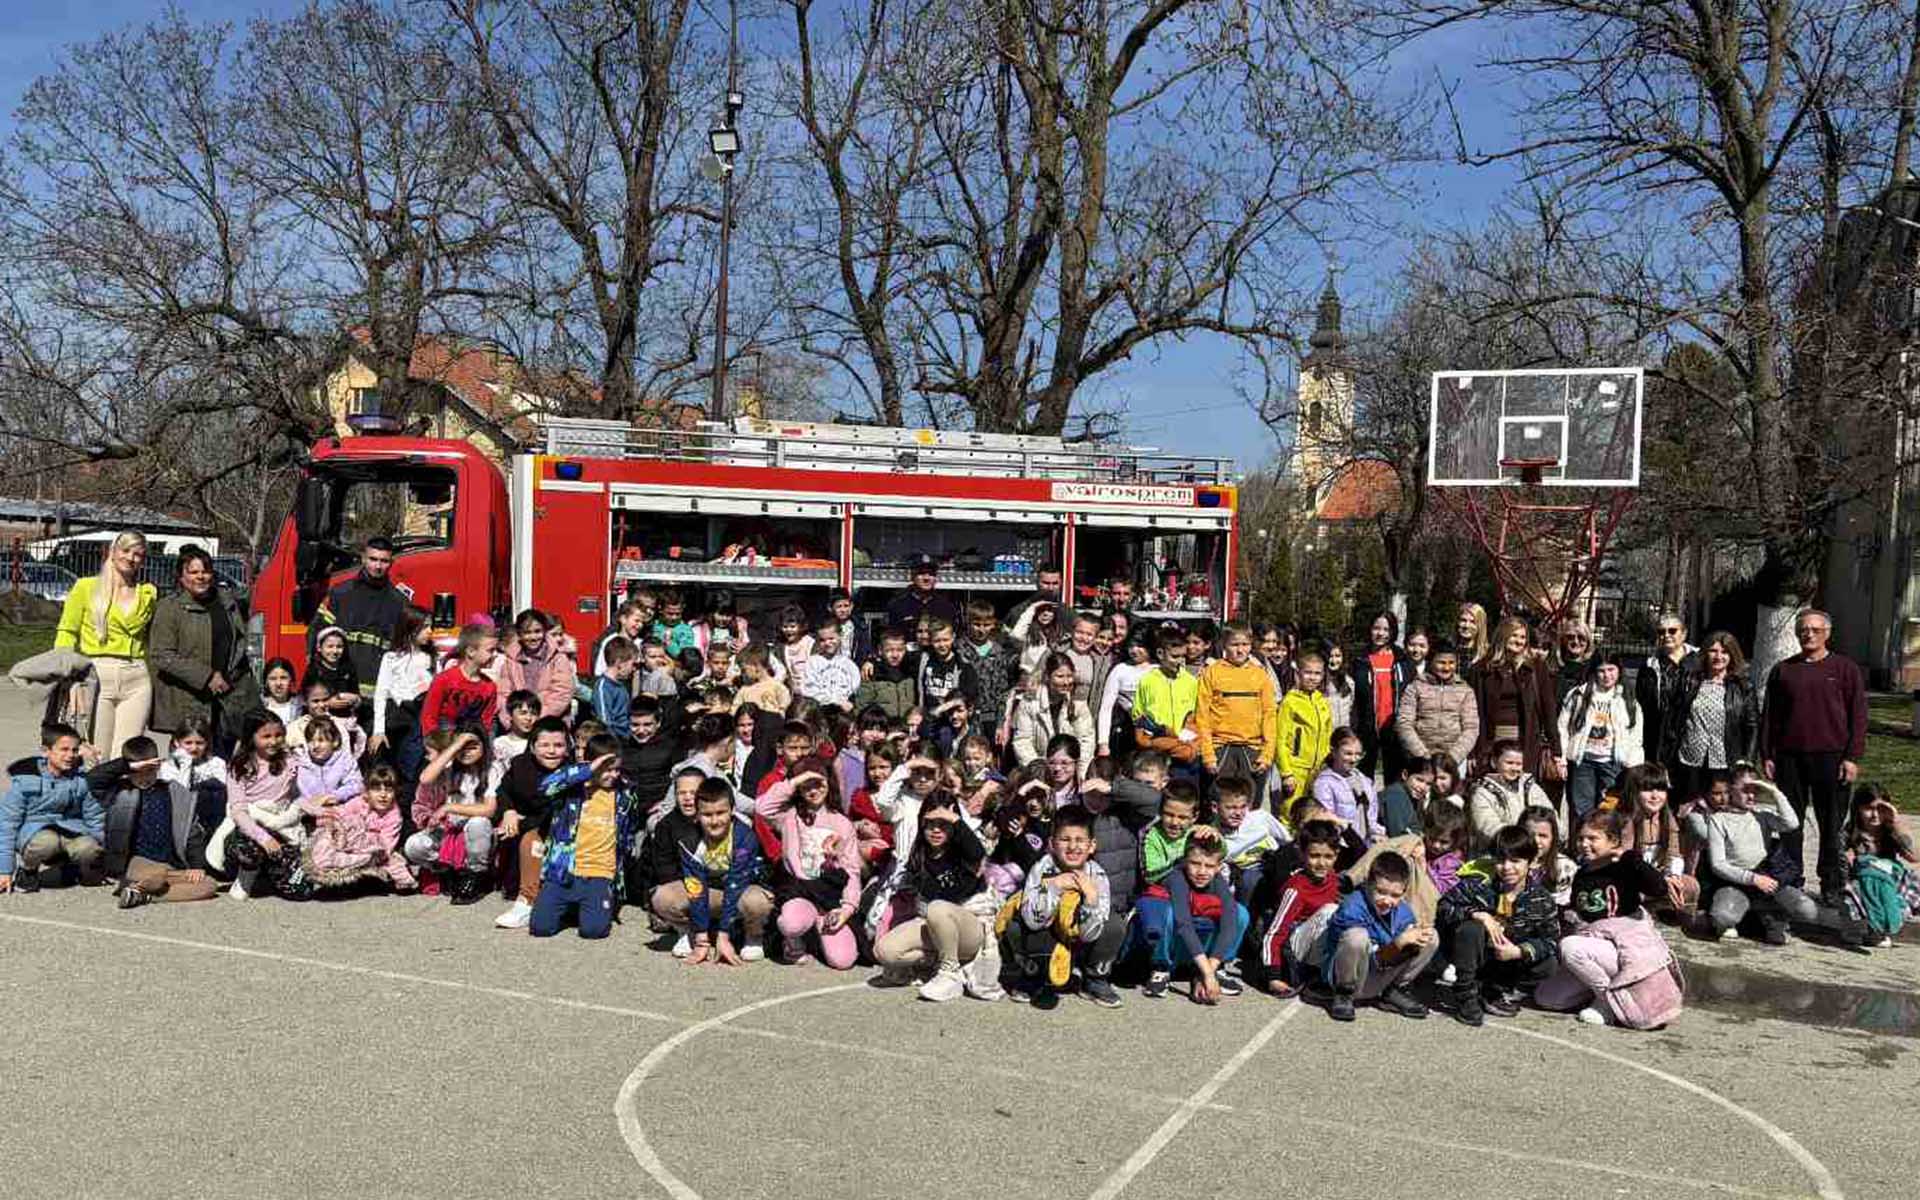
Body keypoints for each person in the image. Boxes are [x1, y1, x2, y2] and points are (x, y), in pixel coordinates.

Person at [1539, 807, 1685, 1028]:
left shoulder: (1625, 866)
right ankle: (1599, 991)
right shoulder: (1582, 873)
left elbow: (1658, 888)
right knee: (1547, 998)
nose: (1584, 844)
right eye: (1580, 838)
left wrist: (1630, 857)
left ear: (1613, 841)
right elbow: (1580, 911)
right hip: (1594, 949)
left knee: (1570, 947)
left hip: (1623, 949)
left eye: (1592, 838)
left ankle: (1610, 1002)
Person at [1761, 609, 1868, 901]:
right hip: (1789, 758)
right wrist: (1767, 754)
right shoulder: (1783, 670)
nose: (1808, 634)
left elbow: (1858, 716)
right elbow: (1770, 716)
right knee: (1790, 823)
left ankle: (1831, 885)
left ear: (1827, 633)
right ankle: (1791, 880)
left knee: (1831, 825)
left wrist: (1852, 757)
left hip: (1832, 758)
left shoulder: (1846, 669)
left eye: (1815, 630)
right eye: (1803, 630)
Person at [1701, 772, 1865, 947]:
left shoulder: (1762, 815)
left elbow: (1792, 823)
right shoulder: (1718, 820)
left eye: (1756, 790)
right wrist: (1753, 879)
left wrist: (1775, 793)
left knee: (1807, 909)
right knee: (1723, 917)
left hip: (1768, 882)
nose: (1751, 795)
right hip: (1736, 883)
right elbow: (1718, 865)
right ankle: (1754, 918)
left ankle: (1858, 927)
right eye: (1745, 790)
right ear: (1731, 790)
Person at [870, 792, 1000, 1001]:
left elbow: (977, 852)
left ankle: (950, 973)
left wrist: (955, 819)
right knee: (885, 951)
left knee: (937, 908)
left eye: (944, 824)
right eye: (931, 824)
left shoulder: (966, 851)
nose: (937, 830)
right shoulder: (919, 856)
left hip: (970, 930)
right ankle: (939, 961)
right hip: (935, 926)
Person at [1437, 824, 1560, 1027]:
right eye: (1501, 860)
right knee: (1471, 929)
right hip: (1474, 956)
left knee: (1549, 964)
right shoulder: (1478, 885)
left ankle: (1495, 991)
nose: (1507, 867)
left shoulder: (1541, 899)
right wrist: (1477, 914)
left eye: (1515, 861)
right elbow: (1443, 907)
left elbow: (1551, 940)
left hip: (1508, 960)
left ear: (1531, 862)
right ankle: (1465, 994)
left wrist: (1519, 951)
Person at [1007, 805, 1123, 1011]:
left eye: (1080, 840)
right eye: (1065, 839)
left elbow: (1090, 934)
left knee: (1114, 925)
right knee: (1016, 925)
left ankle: (1094, 978)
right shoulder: (1041, 868)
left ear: (1092, 845)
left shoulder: (1097, 875)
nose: (1072, 847)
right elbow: (1032, 921)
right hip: (1046, 936)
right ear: (1052, 843)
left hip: (1080, 940)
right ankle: (1037, 977)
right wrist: (1054, 887)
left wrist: (1090, 899)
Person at [147, 544, 258, 756]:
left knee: (223, 762)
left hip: (226, 699)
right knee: (188, 762)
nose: (200, 577)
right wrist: (206, 676)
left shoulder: (227, 603)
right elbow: (161, 654)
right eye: (193, 572)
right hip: (188, 699)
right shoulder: (170, 607)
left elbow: (238, 644)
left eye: (205, 571)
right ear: (181, 577)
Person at [53, 530, 156, 756]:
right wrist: (69, 678)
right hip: (97, 673)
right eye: (125, 550)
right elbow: (67, 632)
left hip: (136, 676)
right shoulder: (86, 587)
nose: (131, 558)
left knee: (127, 757)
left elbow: (155, 638)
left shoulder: (148, 593)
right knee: (96, 754)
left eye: (138, 554)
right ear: (112, 551)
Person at [1304, 851, 1437, 1022]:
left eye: (1395, 895)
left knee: (1430, 936)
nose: (1387, 900)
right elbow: (1375, 960)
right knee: (1356, 936)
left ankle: (1394, 990)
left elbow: (1387, 961)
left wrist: (1412, 941)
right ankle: (1343, 994)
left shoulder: (1403, 911)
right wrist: (1399, 943)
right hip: (1347, 975)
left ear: (1404, 892)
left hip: (1377, 975)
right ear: (1368, 884)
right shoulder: (1352, 907)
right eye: (1381, 892)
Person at [529, 738, 640, 940]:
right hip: (564, 870)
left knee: (593, 931)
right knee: (540, 928)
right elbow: (545, 787)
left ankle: (591, 903)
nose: (613, 775)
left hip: (600, 872)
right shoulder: (572, 790)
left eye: (616, 769)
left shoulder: (625, 793)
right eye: (606, 769)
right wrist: (586, 770)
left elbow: (629, 828)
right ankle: (572, 905)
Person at [756, 768, 864, 968]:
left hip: (829, 896)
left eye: (819, 784)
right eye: (807, 786)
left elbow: (851, 870)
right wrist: (796, 780)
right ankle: (794, 939)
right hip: (799, 891)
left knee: (842, 960)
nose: (813, 791)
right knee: (790, 923)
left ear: (829, 783)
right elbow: (762, 808)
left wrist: (847, 909)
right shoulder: (789, 816)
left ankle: (815, 933)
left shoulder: (842, 823)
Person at [93, 735, 218, 907]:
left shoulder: (173, 791)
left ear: (158, 766)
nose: (144, 777)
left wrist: (197, 866)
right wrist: (126, 766)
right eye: (138, 772)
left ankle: (141, 894)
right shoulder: (120, 791)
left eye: (150, 771)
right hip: (137, 862)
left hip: (170, 865)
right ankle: (140, 885)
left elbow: (191, 831)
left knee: (208, 884)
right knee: (157, 874)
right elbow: (93, 780)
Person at [668, 778, 775, 964]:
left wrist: (723, 935)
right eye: (707, 814)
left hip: (740, 891)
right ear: (697, 814)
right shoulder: (689, 841)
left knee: (758, 902)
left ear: (732, 810)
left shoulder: (745, 838)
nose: (715, 821)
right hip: (708, 892)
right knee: (663, 898)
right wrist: (702, 939)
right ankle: (689, 933)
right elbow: (695, 887)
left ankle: (753, 934)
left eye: (720, 813)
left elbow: (736, 883)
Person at [1135, 831, 1246, 1003]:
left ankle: (1216, 966)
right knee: (1166, 913)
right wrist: (1207, 974)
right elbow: (1183, 923)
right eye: (1195, 863)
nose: (1202, 871)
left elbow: (1230, 921)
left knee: (1241, 913)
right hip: (1177, 937)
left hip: (1198, 946)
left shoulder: (1217, 880)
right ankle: (1161, 968)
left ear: (1218, 867)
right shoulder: (1176, 877)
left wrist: (1209, 971)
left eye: (1209, 866)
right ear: (1185, 861)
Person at [0, 723, 105, 892]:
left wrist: (102, 855)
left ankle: (72, 866)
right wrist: (4, 870)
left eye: (74, 750)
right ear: (45, 751)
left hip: (70, 830)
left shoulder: (81, 781)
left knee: (89, 848)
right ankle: (28, 871)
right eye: (64, 749)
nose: (70, 755)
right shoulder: (25, 782)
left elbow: (95, 818)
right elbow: (7, 824)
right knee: (47, 842)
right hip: (35, 834)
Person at [491, 717, 573, 929]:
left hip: (559, 829)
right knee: (522, 838)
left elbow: (549, 809)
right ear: (533, 746)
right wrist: (508, 811)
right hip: (524, 826)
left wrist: (523, 822)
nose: (552, 751)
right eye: (545, 745)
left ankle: (529, 900)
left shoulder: (572, 772)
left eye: (558, 745)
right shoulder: (520, 764)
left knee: (532, 841)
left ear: (567, 747)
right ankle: (521, 897)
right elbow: (503, 791)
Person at [311, 536, 408, 711]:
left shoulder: (399, 602)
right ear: (363, 558)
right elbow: (316, 634)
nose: (378, 566)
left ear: (391, 563)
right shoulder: (340, 594)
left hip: (378, 697)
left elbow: (403, 652)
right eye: (373, 559)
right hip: (338, 692)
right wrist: (320, 683)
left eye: (384, 561)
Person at [405, 728, 498, 905]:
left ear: (484, 747)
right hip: (449, 833)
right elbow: (425, 779)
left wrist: (449, 807)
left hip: (476, 837)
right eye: (462, 747)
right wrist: (455, 746)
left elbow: (489, 809)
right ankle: (447, 870)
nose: (466, 752)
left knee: (478, 823)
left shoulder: (492, 769)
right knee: (413, 845)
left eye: (473, 747)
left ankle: (475, 874)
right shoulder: (450, 767)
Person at [1664, 631, 1757, 805]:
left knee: (1720, 806)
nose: (1718, 657)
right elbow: (1674, 718)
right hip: (1690, 757)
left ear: (1732, 655)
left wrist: (1748, 759)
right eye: (1713, 651)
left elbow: (1751, 725)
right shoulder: (1689, 681)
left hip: (1725, 760)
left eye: (1724, 652)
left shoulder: (1743, 686)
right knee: (1689, 806)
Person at [216, 712, 299, 900]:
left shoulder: (290, 760)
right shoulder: (239, 767)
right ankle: (245, 875)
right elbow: (238, 811)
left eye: (278, 735)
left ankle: (269, 873)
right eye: (266, 736)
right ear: (251, 737)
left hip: (281, 822)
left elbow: (299, 794)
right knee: (249, 846)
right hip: (249, 826)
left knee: (299, 891)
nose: (274, 741)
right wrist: (263, 838)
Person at [1256, 819, 1343, 997]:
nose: (1321, 863)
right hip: (1295, 951)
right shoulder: (1296, 889)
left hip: (1317, 944)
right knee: (1331, 912)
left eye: (1328, 857)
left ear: (1336, 855)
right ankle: (1314, 978)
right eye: (1314, 856)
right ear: (1302, 854)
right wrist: (1273, 976)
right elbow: (1275, 932)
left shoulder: (1333, 880)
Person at [1196, 621, 1277, 810]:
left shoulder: (1260, 675)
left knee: (1249, 808)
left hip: (1252, 751)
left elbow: (1269, 715)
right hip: (1220, 750)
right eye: (1234, 645)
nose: (1240, 650)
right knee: (1218, 806)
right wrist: (1208, 754)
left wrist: (1267, 754)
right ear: (1224, 644)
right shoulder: (1211, 673)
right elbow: (1202, 715)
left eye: (1245, 645)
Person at [301, 763, 416, 895]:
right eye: (377, 789)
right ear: (366, 792)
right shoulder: (359, 802)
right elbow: (340, 814)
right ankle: (329, 864)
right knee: (337, 831)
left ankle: (364, 874)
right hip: (345, 842)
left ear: (395, 792)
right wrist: (331, 823)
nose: (383, 795)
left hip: (370, 851)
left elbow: (386, 845)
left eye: (388, 790)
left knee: (394, 864)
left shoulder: (394, 816)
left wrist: (365, 846)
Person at [1556, 653, 1644, 822]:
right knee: (1581, 808)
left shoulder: (1627, 699)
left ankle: (1604, 838)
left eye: (1611, 670)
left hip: (1613, 763)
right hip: (1583, 762)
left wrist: (1633, 764)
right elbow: (1563, 727)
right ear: (1594, 672)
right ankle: (1582, 837)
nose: (1606, 675)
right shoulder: (1579, 695)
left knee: (1609, 807)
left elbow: (1635, 735)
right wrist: (1562, 759)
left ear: (1619, 671)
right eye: (1601, 671)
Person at [1470, 617, 1561, 778]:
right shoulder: (1482, 669)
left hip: (1526, 740)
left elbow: (1549, 710)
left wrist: (1556, 750)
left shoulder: (1536, 668)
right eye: (1514, 635)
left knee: (1521, 786)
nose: (1519, 641)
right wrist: (1473, 751)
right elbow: (1475, 712)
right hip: (1492, 741)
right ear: (1503, 636)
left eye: (1523, 637)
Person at [369, 608, 435, 778]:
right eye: (425, 627)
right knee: (398, 767)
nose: (430, 631)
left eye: (430, 626)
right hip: (399, 720)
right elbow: (381, 694)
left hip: (423, 720)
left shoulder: (431, 658)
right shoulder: (391, 658)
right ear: (410, 627)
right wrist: (378, 730)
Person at [1350, 611, 1415, 782]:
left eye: (1386, 630)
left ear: (1393, 632)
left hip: (1394, 728)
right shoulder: (1359, 660)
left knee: (1394, 779)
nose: (1380, 634)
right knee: (1362, 780)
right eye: (1376, 628)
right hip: (1367, 728)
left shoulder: (1402, 660)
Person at [1395, 641, 1479, 768]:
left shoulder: (1465, 690)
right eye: (1441, 663)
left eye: (1451, 663)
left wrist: (1453, 757)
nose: (1447, 668)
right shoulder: (1415, 687)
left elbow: (1471, 728)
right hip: (1420, 758)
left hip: (1453, 759)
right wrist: (1422, 755)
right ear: (1431, 662)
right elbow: (1404, 723)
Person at [1637, 611, 1699, 773]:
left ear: (1684, 634)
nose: (1666, 635)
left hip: (1691, 734)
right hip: (1659, 737)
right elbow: (1642, 704)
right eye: (1661, 632)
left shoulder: (1699, 662)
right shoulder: (1649, 666)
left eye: (1672, 631)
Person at [1131, 625, 1200, 771]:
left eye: (1183, 656)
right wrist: (1149, 740)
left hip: (1183, 750)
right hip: (1155, 750)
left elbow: (1195, 716)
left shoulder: (1191, 682)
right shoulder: (1147, 681)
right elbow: (1139, 716)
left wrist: (1190, 743)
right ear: (1160, 654)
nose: (1179, 661)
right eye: (1174, 656)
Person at [1014, 652, 1096, 775]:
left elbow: (1086, 741)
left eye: (1069, 676)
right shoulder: (1030, 702)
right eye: (1060, 676)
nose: (1066, 682)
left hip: (1069, 770)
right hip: (1040, 769)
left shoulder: (1078, 703)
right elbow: (1022, 741)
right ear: (1048, 677)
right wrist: (1039, 771)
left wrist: (1080, 773)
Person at [1467, 740, 1554, 853]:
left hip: (1535, 847)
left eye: (1518, 764)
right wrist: (1519, 842)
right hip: (1497, 852)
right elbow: (1487, 825)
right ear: (1494, 762)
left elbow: (1549, 815)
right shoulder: (1482, 792)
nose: (1514, 768)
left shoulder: (1531, 787)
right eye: (1509, 763)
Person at [1275, 650, 1334, 811]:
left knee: (1315, 811)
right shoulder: (1290, 702)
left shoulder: (1322, 701)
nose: (1312, 677)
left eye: (1317, 673)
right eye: (1308, 672)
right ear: (1298, 673)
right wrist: (1286, 773)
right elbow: (1280, 740)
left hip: (1319, 769)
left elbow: (1329, 736)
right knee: (1291, 811)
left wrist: (1329, 764)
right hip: (1296, 768)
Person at [421, 625, 503, 735]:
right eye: (491, 650)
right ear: (471, 651)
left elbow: (486, 724)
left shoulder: (489, 686)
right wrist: (434, 742)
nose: (496, 655)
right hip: (444, 737)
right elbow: (429, 716)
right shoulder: (444, 680)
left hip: (472, 738)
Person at [502, 608, 577, 721]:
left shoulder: (558, 658)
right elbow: (503, 693)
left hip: (549, 723)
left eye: (537, 631)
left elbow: (562, 693)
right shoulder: (511, 660)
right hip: (517, 723)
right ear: (519, 634)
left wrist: (536, 719)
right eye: (527, 633)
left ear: (545, 631)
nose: (533, 637)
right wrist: (510, 720)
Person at [1311, 728, 1382, 846]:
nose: (1354, 759)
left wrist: (1377, 834)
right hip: (1343, 845)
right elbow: (1327, 822)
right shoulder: (1324, 784)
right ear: (1333, 752)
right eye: (1348, 754)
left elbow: (1372, 817)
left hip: (1366, 843)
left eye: (1358, 754)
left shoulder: (1365, 781)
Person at [1096, 634, 1152, 759]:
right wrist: (1103, 743)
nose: (1134, 650)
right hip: (1126, 732)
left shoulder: (1158, 669)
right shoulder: (1120, 669)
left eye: (1140, 646)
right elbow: (1106, 708)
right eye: (1131, 646)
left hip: (1154, 734)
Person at [854, 628, 920, 723]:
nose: (895, 655)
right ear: (880, 650)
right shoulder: (872, 673)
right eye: (889, 650)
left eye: (900, 650)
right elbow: (862, 706)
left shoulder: (911, 670)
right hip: (882, 726)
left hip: (907, 724)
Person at [885, 553, 961, 634]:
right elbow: (891, 636)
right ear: (912, 576)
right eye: (921, 573)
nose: (926, 578)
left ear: (935, 578)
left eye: (931, 574)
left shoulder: (946, 607)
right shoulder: (898, 606)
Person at [801, 617, 861, 711]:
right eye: (822, 640)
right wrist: (834, 701)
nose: (827, 643)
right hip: (821, 709)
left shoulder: (849, 664)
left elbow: (854, 688)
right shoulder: (812, 663)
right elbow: (809, 689)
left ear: (840, 636)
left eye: (831, 638)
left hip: (844, 710)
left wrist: (846, 702)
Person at [1377, 755, 1435, 839]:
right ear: (1405, 775)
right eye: (1419, 780)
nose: (1423, 787)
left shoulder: (1413, 798)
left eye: (1428, 784)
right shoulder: (1395, 796)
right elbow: (1398, 834)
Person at [592, 637, 638, 740]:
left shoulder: (621, 685)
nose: (634, 669)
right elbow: (604, 720)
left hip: (626, 737)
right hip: (614, 740)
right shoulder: (603, 687)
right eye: (632, 664)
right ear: (619, 663)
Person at [1454, 601, 1490, 669]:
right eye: (1463, 620)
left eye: (1473, 622)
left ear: (1480, 625)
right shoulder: (1450, 649)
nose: (1467, 626)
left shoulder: (1488, 655)